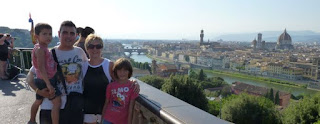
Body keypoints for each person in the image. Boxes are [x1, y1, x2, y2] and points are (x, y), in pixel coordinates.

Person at [27, 20, 88, 124]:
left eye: (72, 33)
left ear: (76, 35)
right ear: (59, 34)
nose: (68, 36)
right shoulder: (50, 53)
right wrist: (39, 92)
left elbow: (89, 69)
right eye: (65, 32)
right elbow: (30, 77)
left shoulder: (80, 52)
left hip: (74, 106)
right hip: (50, 106)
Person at [28, 23, 61, 124]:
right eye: (45, 34)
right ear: (37, 36)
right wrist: (48, 84)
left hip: (41, 79)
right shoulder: (40, 50)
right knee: (57, 102)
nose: (48, 36)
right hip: (46, 80)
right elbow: (41, 67)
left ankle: (32, 120)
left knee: (39, 100)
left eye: (50, 34)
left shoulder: (41, 48)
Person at [101, 58, 139, 124]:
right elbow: (106, 103)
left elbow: (131, 108)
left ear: (129, 71)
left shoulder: (132, 87)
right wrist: (102, 119)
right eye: (119, 70)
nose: (122, 73)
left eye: (125, 70)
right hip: (108, 118)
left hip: (122, 121)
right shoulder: (111, 86)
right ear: (116, 71)